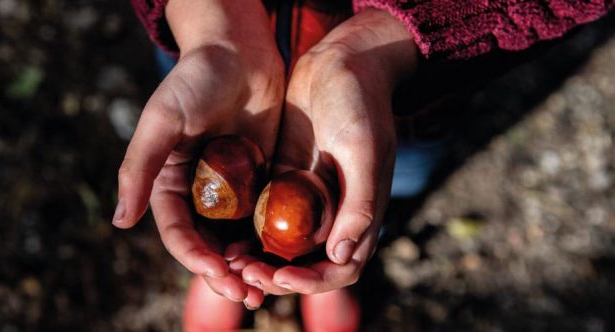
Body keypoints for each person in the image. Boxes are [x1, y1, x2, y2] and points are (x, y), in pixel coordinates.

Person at [117, 0, 613, 330]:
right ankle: (225, 270)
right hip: (222, 50)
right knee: (209, 151)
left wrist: (381, 45)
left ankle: (330, 258)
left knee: (382, 178)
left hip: (407, 74)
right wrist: (210, 22)